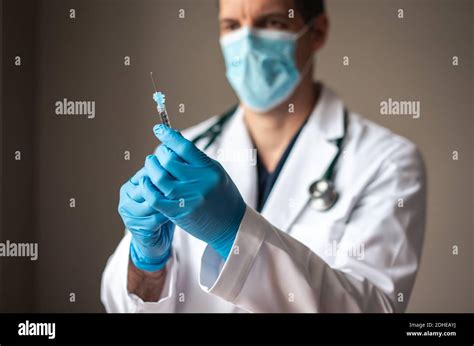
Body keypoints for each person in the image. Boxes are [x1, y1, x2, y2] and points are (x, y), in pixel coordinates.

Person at [101, 0, 426, 313]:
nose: (247, 41)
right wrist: (146, 262)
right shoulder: (184, 152)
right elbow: (123, 307)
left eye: (271, 22)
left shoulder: (386, 161)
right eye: (231, 25)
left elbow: (372, 310)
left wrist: (233, 233)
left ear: (317, 32)